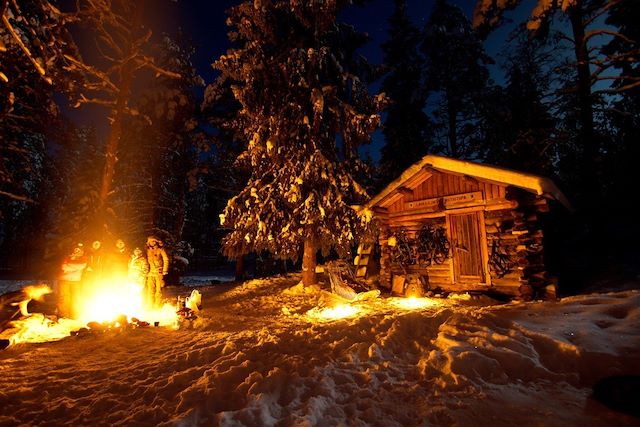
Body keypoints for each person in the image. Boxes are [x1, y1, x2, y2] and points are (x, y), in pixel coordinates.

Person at [58, 243, 87, 318]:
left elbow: (82, 265)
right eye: (76, 249)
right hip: (64, 280)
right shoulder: (67, 257)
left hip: (76, 281)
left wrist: (69, 266)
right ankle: (64, 315)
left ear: (82, 251)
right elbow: (63, 267)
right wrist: (76, 267)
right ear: (73, 249)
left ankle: (75, 316)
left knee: (76, 299)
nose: (78, 251)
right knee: (64, 298)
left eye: (80, 250)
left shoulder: (83, 258)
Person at [146, 236, 169, 308]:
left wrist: (165, 270)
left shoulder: (160, 250)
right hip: (150, 273)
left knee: (158, 291)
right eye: (151, 241)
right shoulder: (147, 250)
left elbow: (166, 259)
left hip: (159, 272)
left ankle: (157, 306)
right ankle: (150, 305)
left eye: (154, 241)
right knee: (150, 290)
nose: (152, 243)